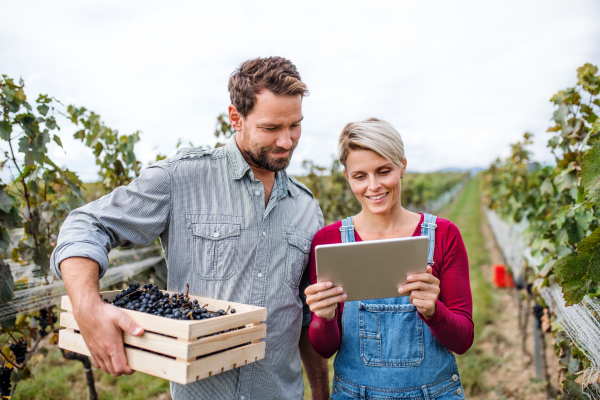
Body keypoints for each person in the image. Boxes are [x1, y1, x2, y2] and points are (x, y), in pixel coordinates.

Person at [50, 57, 330, 400]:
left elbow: (304, 314)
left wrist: (321, 393)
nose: (286, 142)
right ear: (235, 118)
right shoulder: (182, 179)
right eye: (271, 128)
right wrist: (87, 307)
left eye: (295, 126)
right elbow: (86, 224)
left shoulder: (306, 207)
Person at [304, 118, 474, 400]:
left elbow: (463, 339)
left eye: (383, 171)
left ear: (402, 166)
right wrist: (324, 317)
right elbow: (325, 348)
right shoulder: (328, 241)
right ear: (347, 177)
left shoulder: (444, 235)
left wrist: (434, 311)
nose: (373, 186)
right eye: (360, 176)